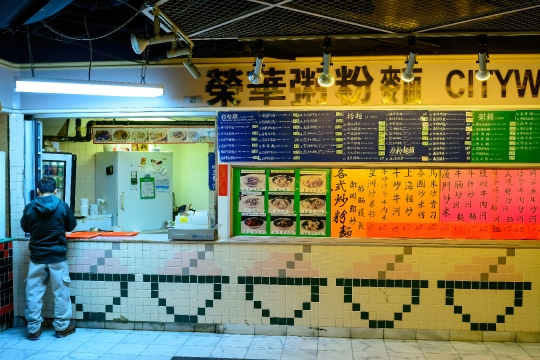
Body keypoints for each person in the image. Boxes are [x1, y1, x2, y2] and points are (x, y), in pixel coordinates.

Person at [20, 176, 78, 340]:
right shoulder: (62, 206)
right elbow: (71, 226)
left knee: (33, 293)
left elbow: (25, 227)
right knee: (61, 293)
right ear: (55, 190)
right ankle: (61, 327)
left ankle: (33, 330)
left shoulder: (30, 207)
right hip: (57, 257)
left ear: (38, 190)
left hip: (37, 257)